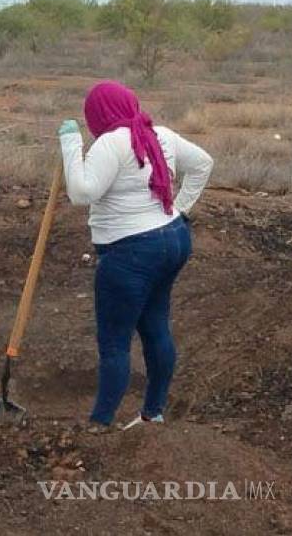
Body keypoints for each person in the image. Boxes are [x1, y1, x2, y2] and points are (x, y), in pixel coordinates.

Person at [58, 81, 213, 431]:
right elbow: (203, 162)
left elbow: (82, 193)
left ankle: (99, 424)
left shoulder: (110, 144)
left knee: (114, 342)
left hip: (130, 253)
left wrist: (70, 145)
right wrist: (181, 209)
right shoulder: (159, 134)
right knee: (156, 325)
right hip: (173, 239)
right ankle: (152, 413)